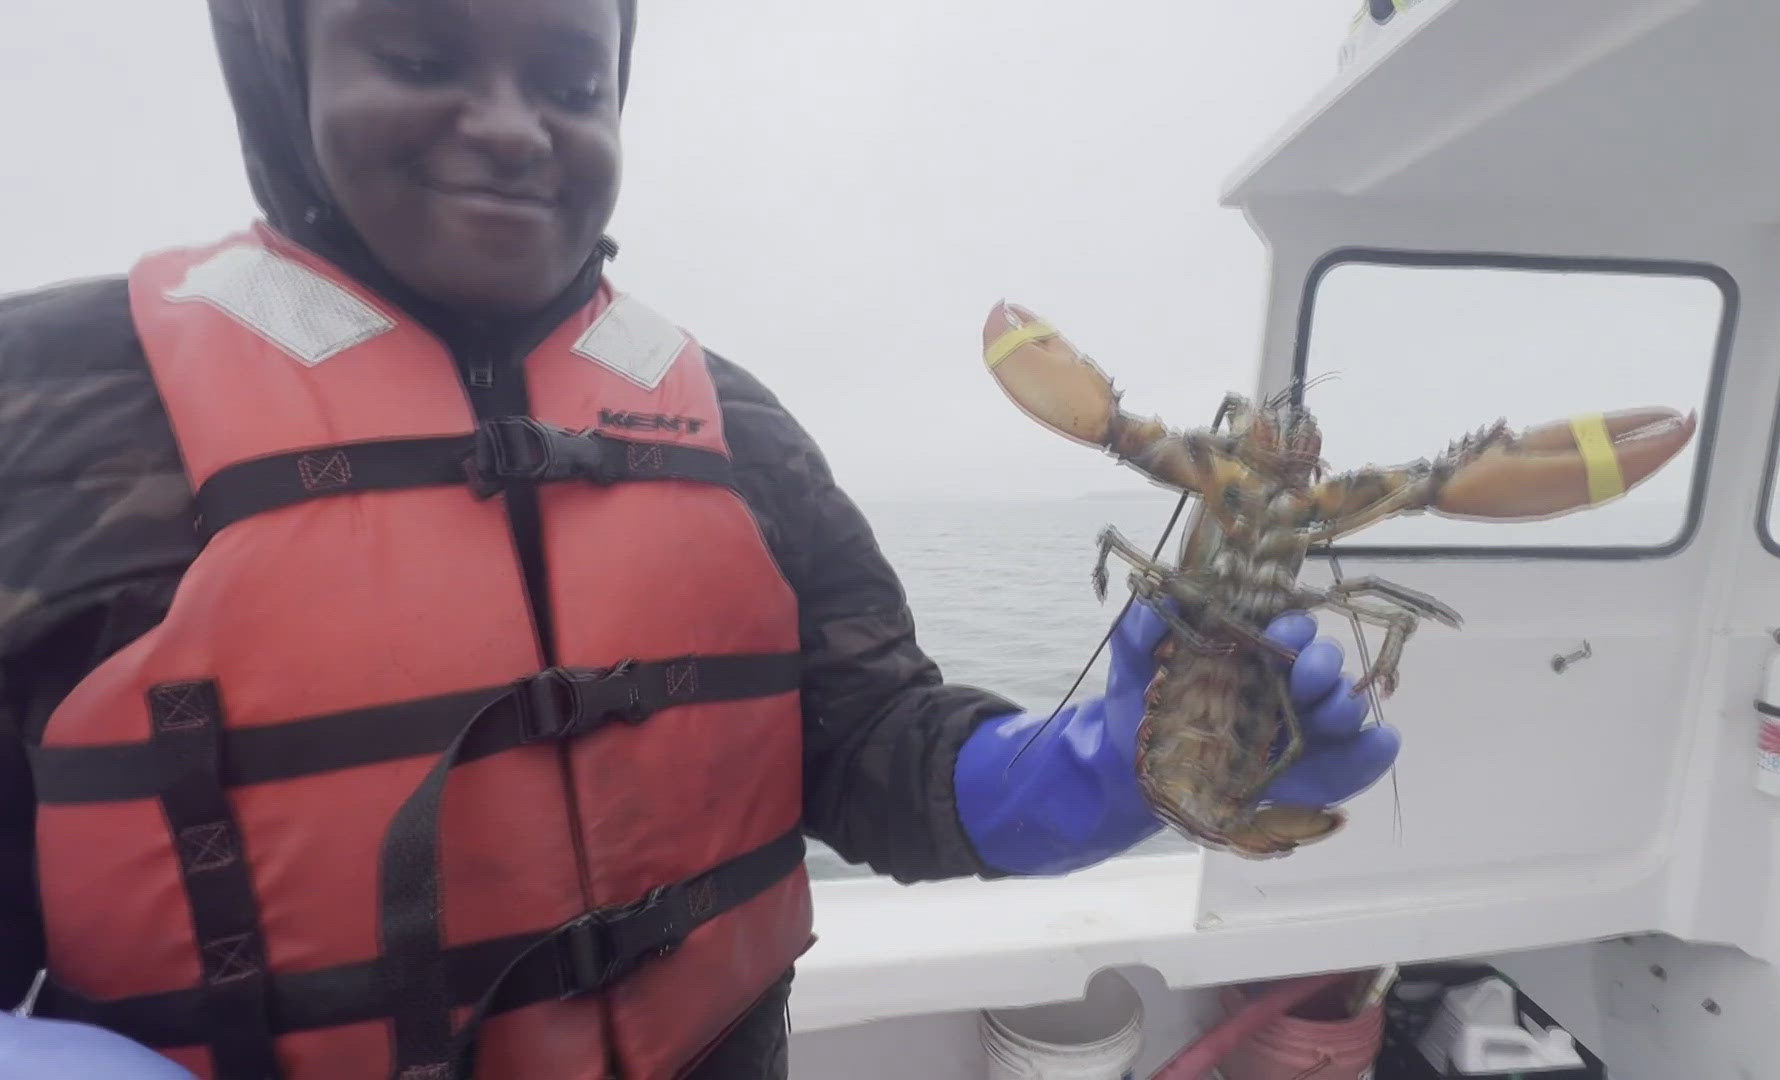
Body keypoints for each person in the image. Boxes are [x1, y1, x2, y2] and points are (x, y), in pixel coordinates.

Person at [0, 1, 1397, 1077]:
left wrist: (1085, 770)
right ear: (279, 62)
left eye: (570, 79)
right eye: (423, 52)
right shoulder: (53, 405)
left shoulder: (736, 426)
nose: (508, 124)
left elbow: (869, 746)